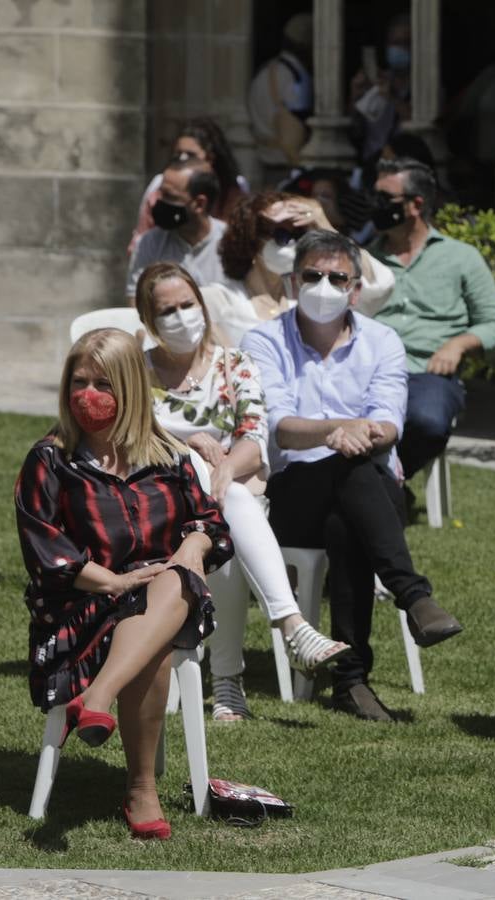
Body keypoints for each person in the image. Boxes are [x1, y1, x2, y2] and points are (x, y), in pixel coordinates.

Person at [14, 328, 233, 839]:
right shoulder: (51, 460)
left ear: (131, 388)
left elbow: (213, 526)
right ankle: (141, 789)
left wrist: (192, 547)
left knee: (174, 579)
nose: (87, 395)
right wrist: (114, 582)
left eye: (102, 384)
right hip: (82, 611)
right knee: (154, 638)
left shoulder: (170, 456)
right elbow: (45, 549)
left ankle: (97, 699)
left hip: (168, 596)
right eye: (79, 382)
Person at [241, 230, 462, 723]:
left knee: (350, 505)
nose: (324, 285)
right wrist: (340, 430)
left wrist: (360, 434)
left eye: (336, 277)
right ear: (294, 282)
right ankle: (413, 597)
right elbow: (279, 426)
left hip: (364, 488)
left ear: (356, 290)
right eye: (313, 276)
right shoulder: (263, 340)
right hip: (291, 495)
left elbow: (390, 422)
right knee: (353, 474)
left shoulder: (382, 340)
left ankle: (350, 679)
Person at [136, 262, 350, 721]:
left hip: (222, 499)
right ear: (149, 320)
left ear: (202, 305)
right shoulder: (138, 370)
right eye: (167, 310)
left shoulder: (235, 366)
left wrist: (224, 471)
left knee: (225, 510)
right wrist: (187, 444)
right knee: (226, 504)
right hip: (154, 500)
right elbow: (128, 437)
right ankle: (281, 634)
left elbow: (254, 441)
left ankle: (236, 676)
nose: (181, 317)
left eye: (187, 304)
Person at [369, 157, 495, 480]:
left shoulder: (461, 258)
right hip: (370, 371)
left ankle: (387, 480)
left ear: (416, 205)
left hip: (426, 372)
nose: (374, 205)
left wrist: (457, 345)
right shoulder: (365, 258)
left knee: (428, 422)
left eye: (384, 198)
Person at [203, 192, 393, 348]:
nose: (292, 242)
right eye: (281, 234)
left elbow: (380, 285)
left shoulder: (312, 294)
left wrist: (324, 227)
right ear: (251, 240)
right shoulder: (217, 299)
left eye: (299, 234)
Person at [129, 118, 249, 254]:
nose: (183, 159)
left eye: (191, 155)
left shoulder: (234, 191)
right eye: (178, 153)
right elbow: (142, 236)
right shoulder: (160, 185)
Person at [126, 162, 227, 302]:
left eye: (170, 196)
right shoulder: (150, 242)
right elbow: (136, 300)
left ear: (199, 204)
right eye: (160, 194)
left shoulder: (231, 242)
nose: (159, 202)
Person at [248, 13, 313, 168]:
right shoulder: (296, 76)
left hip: (263, 158)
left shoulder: (264, 71)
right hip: (286, 162)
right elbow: (297, 120)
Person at [350, 14, 412, 164]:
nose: (399, 49)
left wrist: (393, 98)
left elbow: (423, 127)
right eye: (395, 43)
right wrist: (354, 97)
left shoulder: (425, 87)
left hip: (404, 166)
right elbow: (354, 129)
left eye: (405, 43)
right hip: (371, 164)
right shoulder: (375, 82)